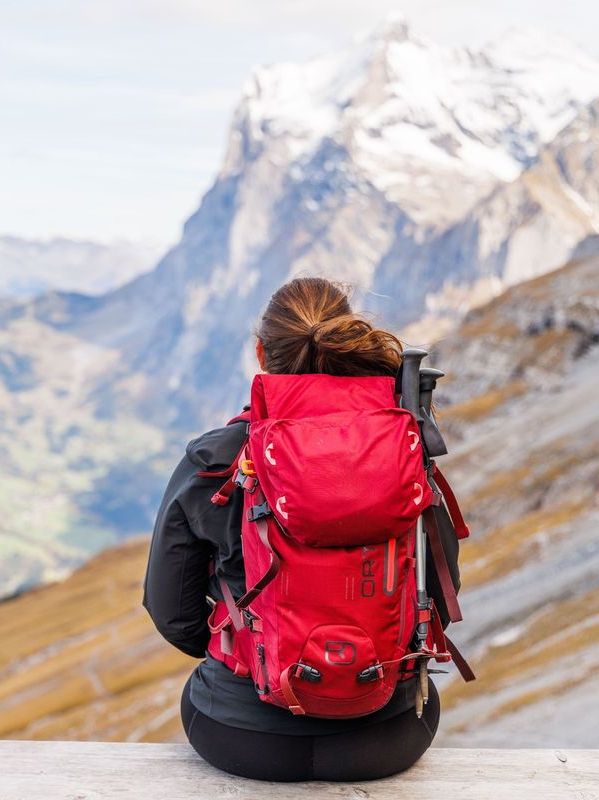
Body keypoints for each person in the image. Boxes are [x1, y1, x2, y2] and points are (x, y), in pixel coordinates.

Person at [142, 277, 440, 782]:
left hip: (240, 734)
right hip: (387, 735)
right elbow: (434, 595)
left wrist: (244, 655)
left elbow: (173, 614)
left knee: (205, 685)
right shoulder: (405, 448)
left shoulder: (217, 458)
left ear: (262, 354)